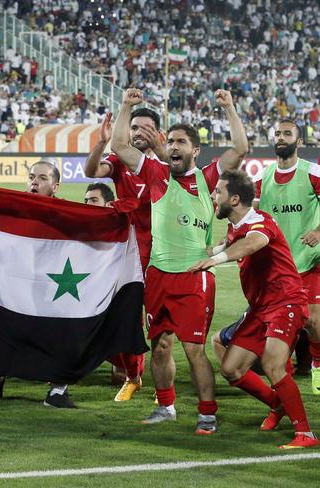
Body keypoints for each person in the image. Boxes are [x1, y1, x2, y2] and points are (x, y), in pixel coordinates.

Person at [110, 88, 248, 434]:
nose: (173, 146)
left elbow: (241, 149)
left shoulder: (208, 178)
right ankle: (166, 406)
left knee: (193, 350)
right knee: (159, 346)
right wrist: (125, 106)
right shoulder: (155, 174)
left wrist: (229, 107)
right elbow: (119, 147)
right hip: (157, 274)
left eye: (181, 142)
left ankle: (207, 414)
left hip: (193, 276)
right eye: (169, 141)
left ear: (195, 150)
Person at [189, 170, 318, 449]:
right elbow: (219, 247)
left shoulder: (259, 222)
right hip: (260, 307)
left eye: (218, 193)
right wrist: (188, 251)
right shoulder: (235, 226)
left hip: (286, 301)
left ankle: (305, 434)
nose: (213, 197)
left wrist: (218, 260)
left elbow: (254, 243)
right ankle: (278, 404)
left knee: (273, 365)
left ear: (234, 199)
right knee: (231, 368)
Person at [84, 109, 165, 401]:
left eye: (147, 128)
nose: (140, 132)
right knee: (123, 315)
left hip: (162, 253)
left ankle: (163, 387)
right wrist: (100, 143)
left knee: (156, 322)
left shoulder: (167, 165)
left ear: (158, 134)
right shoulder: (119, 162)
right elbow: (91, 172)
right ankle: (133, 377)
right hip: (127, 252)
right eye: (134, 128)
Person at [0, 160, 77, 408]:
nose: (34, 182)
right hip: (16, 283)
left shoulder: (68, 212)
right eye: (31, 177)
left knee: (59, 335)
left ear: (55, 186)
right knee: (6, 333)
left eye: (42, 178)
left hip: (53, 286)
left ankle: (57, 391)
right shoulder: (13, 207)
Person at [254, 119, 320, 395]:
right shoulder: (264, 177)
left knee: (314, 322)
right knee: (281, 326)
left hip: (309, 262)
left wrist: (318, 231)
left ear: (299, 142)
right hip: (278, 268)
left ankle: (316, 363)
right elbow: (250, 212)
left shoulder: (313, 172)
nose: (281, 137)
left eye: (287, 134)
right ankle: (286, 376)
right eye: (278, 133)